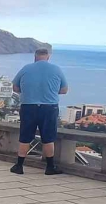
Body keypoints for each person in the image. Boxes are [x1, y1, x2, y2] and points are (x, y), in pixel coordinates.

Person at [10, 43, 68, 175]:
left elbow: (15, 88)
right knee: (48, 137)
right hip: (49, 108)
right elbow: (64, 90)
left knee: (25, 136)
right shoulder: (56, 69)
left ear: (35, 57)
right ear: (48, 57)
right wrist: (50, 92)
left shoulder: (26, 68)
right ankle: (50, 167)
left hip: (28, 106)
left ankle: (19, 166)